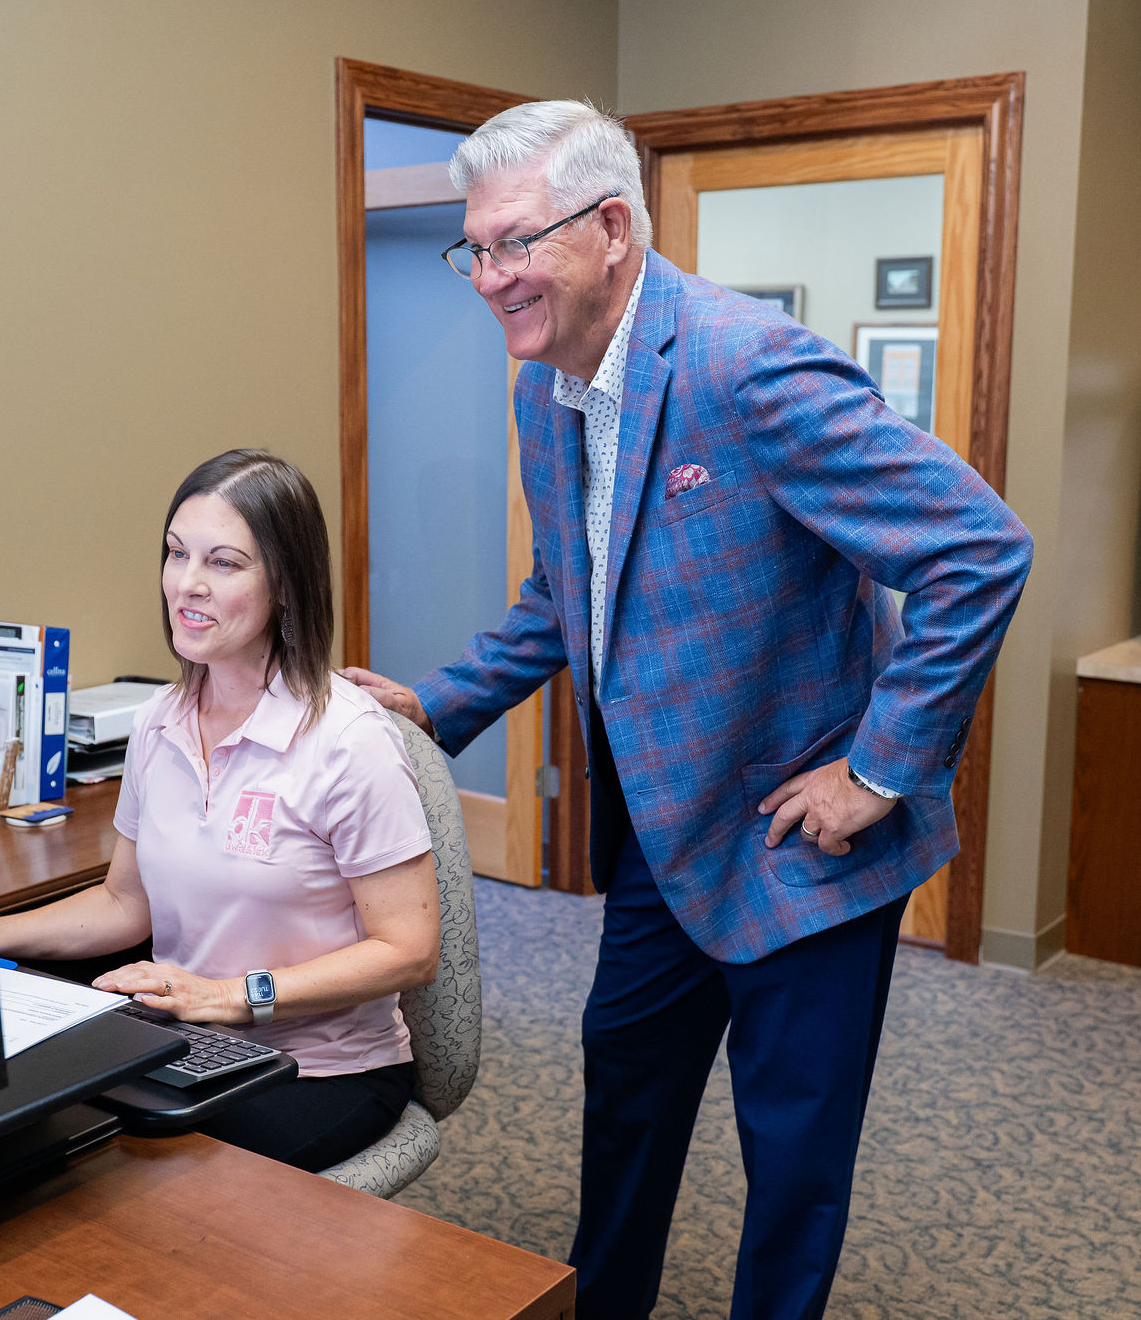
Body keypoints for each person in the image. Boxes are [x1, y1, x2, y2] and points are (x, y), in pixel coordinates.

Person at [342, 102, 1032, 1318]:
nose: (489, 278)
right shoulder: (544, 392)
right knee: (624, 1099)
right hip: (665, 837)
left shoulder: (747, 367)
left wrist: (877, 772)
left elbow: (976, 550)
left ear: (611, 227)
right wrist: (433, 707)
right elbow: (565, 595)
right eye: (475, 250)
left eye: (516, 243)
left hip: (802, 841)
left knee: (792, 1159)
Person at [0, 448, 440, 1172]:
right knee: (16, 1129)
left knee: (118, 1177)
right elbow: (124, 903)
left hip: (320, 1069)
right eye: (177, 554)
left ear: (286, 587)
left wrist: (232, 997)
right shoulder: (159, 721)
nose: (187, 584)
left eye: (224, 563)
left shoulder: (349, 741)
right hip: (184, 1043)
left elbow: (410, 949)